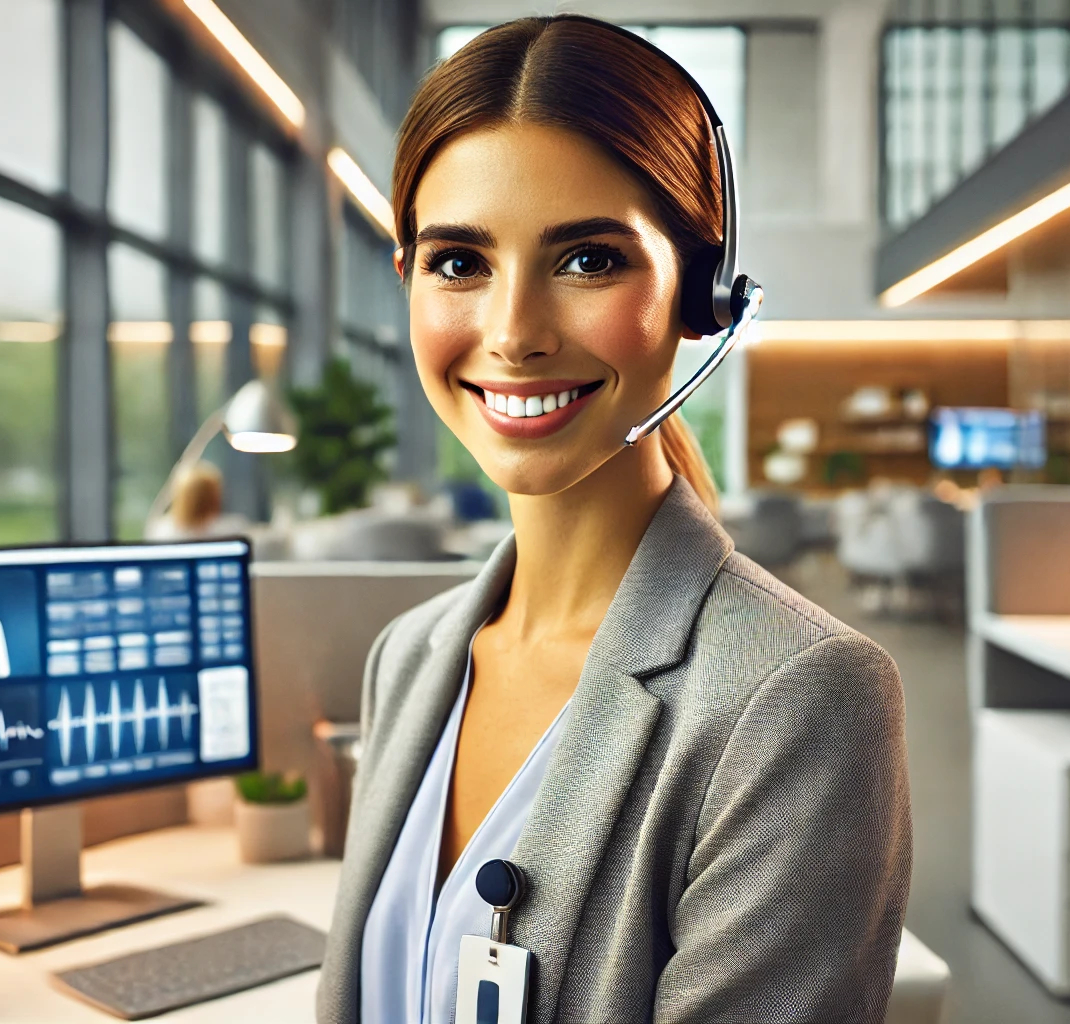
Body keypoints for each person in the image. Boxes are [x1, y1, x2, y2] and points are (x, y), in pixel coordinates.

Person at [318, 16, 911, 1024]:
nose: (512, 333)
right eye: (459, 263)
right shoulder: (408, 657)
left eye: (588, 260)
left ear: (702, 293)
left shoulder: (798, 699)